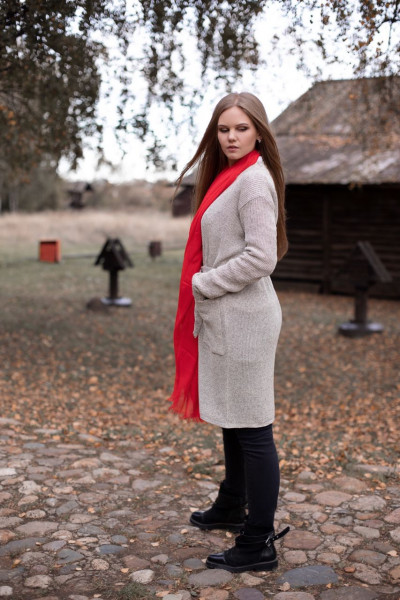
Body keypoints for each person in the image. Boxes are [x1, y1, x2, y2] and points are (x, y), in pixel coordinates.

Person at [169, 92, 290, 573]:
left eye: (242, 128)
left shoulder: (254, 181)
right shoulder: (229, 176)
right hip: (227, 316)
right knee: (234, 419)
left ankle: (258, 542)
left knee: (254, 428)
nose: (232, 137)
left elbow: (262, 256)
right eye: (224, 129)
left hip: (245, 319)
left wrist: (205, 283)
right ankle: (231, 504)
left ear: (258, 131)